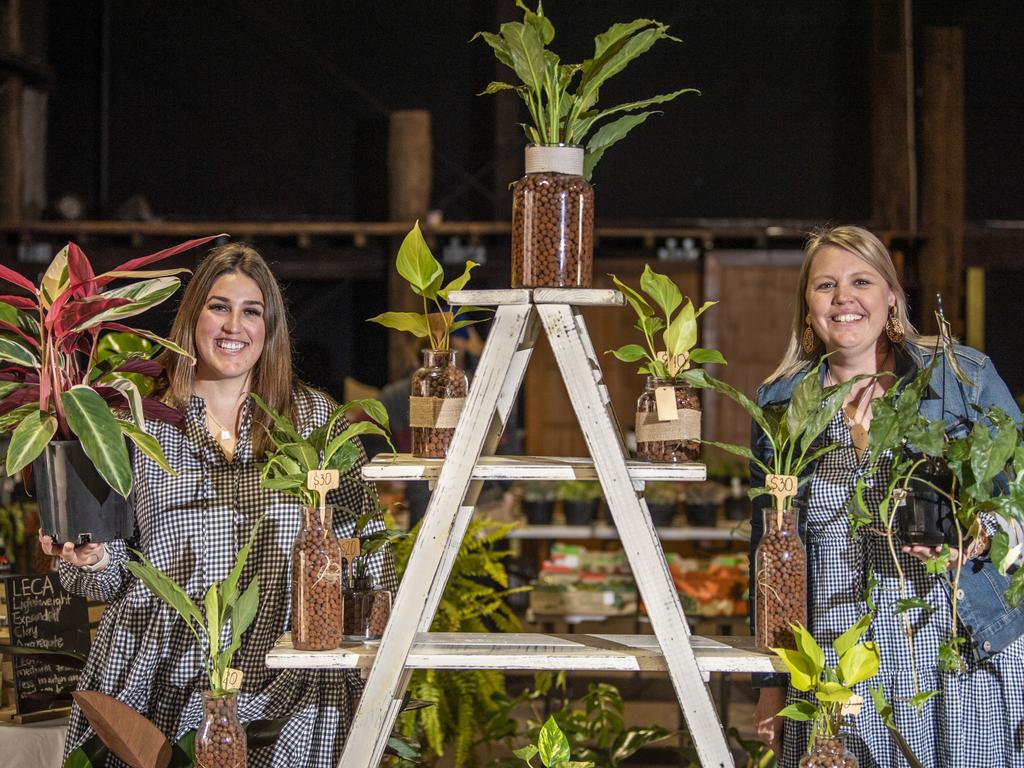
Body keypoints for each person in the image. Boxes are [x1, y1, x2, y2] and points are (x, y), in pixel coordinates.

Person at [40, 243, 396, 767]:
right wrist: (90, 560)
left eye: (252, 311)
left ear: (269, 327)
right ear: (192, 318)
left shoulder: (312, 417)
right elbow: (111, 569)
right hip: (158, 681)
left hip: (287, 683)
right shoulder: (139, 419)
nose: (235, 326)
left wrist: (382, 658)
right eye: (218, 307)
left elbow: (366, 544)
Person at [749, 226, 1024, 767]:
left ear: (892, 298)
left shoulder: (959, 379)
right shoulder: (781, 403)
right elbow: (769, 553)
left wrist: (981, 532)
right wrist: (773, 681)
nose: (843, 297)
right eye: (825, 285)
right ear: (808, 308)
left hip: (955, 652)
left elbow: (1018, 493)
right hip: (834, 664)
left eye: (861, 281)